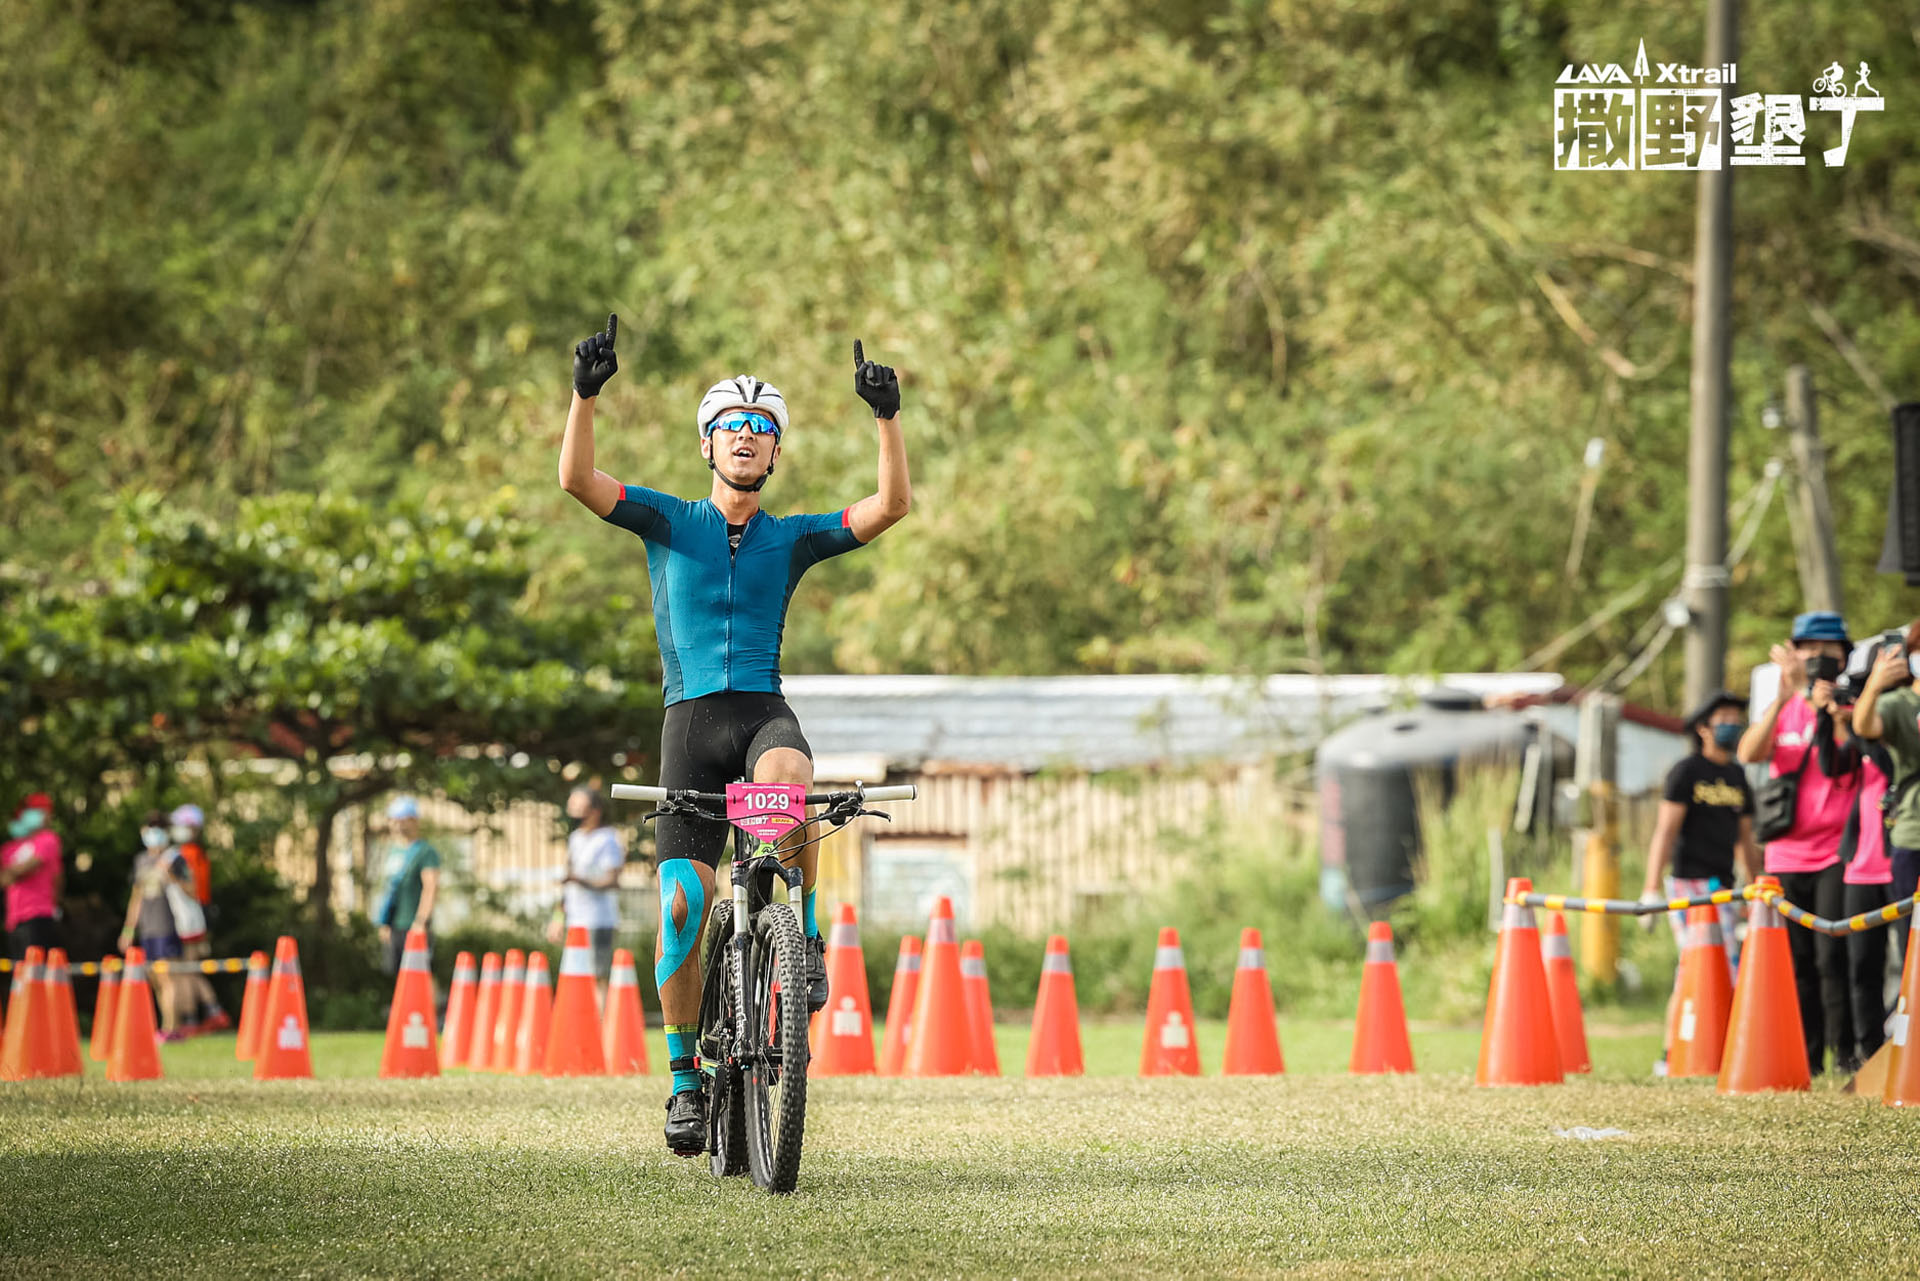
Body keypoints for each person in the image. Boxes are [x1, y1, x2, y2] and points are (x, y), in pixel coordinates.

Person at [559, 316, 911, 1154]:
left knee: (790, 773)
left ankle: (804, 936)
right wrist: (584, 393)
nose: (748, 439)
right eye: (733, 427)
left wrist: (885, 418)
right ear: (709, 446)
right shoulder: (669, 521)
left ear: (775, 454)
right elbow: (576, 480)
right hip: (689, 724)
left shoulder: (790, 538)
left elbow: (892, 505)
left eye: (762, 430)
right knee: (685, 899)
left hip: (759, 713)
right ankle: (684, 1080)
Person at [1737, 610, 1860, 1075]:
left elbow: (1850, 761)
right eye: (1808, 650)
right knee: (1797, 962)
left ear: (1843, 657)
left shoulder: (1848, 703)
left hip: (1835, 852)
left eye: (1828, 652)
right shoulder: (1783, 704)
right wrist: (1785, 696)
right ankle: (1807, 1058)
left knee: (1834, 955)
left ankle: (1845, 1052)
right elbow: (1749, 753)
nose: (1817, 658)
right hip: (1785, 852)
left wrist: (1828, 708)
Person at [1640, 692, 1759, 1075]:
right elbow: (1665, 832)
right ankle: (1671, 1052)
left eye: (1735, 717)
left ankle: (1717, 1048)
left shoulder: (1739, 776)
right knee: (1695, 965)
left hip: (1723, 887)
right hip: (1687, 886)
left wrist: (1757, 890)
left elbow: (1746, 840)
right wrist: (1650, 888)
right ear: (1703, 728)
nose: (1731, 724)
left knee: (1728, 968)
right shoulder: (1686, 772)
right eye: (1722, 717)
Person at [1834, 640, 1895, 1064]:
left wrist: (1860, 721)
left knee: (1910, 964)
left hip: (1899, 863)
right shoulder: (1853, 740)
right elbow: (1830, 766)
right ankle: (1867, 1051)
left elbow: (1890, 764)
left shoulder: (1898, 728)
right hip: (1860, 867)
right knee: (1861, 968)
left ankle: (1903, 1047)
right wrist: (1833, 724)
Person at [1849, 619, 1920, 944]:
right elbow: (1865, 726)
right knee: (1913, 944)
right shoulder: (1899, 703)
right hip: (1913, 837)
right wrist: (1874, 686)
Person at [119, 810, 194, 1041]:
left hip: (167, 926)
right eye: (151, 828)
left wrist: (171, 875)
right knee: (156, 980)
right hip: (147, 928)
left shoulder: (175, 859)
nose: (154, 833)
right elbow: (137, 897)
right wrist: (129, 930)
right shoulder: (141, 861)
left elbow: (193, 891)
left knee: (168, 977)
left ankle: (170, 1028)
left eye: (159, 828)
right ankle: (171, 1027)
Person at [547, 786, 625, 998]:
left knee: (597, 975)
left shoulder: (608, 838)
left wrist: (581, 880)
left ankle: (600, 1023)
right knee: (576, 975)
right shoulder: (575, 838)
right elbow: (567, 884)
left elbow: (611, 879)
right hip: (575, 919)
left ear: (595, 811)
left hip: (598, 919)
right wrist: (557, 918)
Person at [168, 804, 229, 1034]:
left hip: (189, 919)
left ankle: (203, 1015)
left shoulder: (187, 855)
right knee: (189, 970)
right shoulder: (198, 853)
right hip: (197, 917)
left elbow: (191, 888)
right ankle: (200, 1016)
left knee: (186, 971)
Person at [372, 797, 440, 976]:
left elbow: (431, 887)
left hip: (414, 924)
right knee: (397, 976)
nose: (397, 825)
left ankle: (429, 1005)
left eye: (403, 820)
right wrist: (385, 923)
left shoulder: (425, 851)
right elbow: (388, 889)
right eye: (394, 820)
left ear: (414, 821)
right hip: (395, 926)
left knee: (421, 974)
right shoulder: (393, 850)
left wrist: (421, 921)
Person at [2, 793, 63, 960]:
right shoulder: (10, 847)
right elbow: (4, 879)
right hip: (14, 919)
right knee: (19, 974)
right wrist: (17, 872)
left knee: (35, 972)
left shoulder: (48, 839)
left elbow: (27, 867)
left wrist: (14, 872)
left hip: (38, 915)